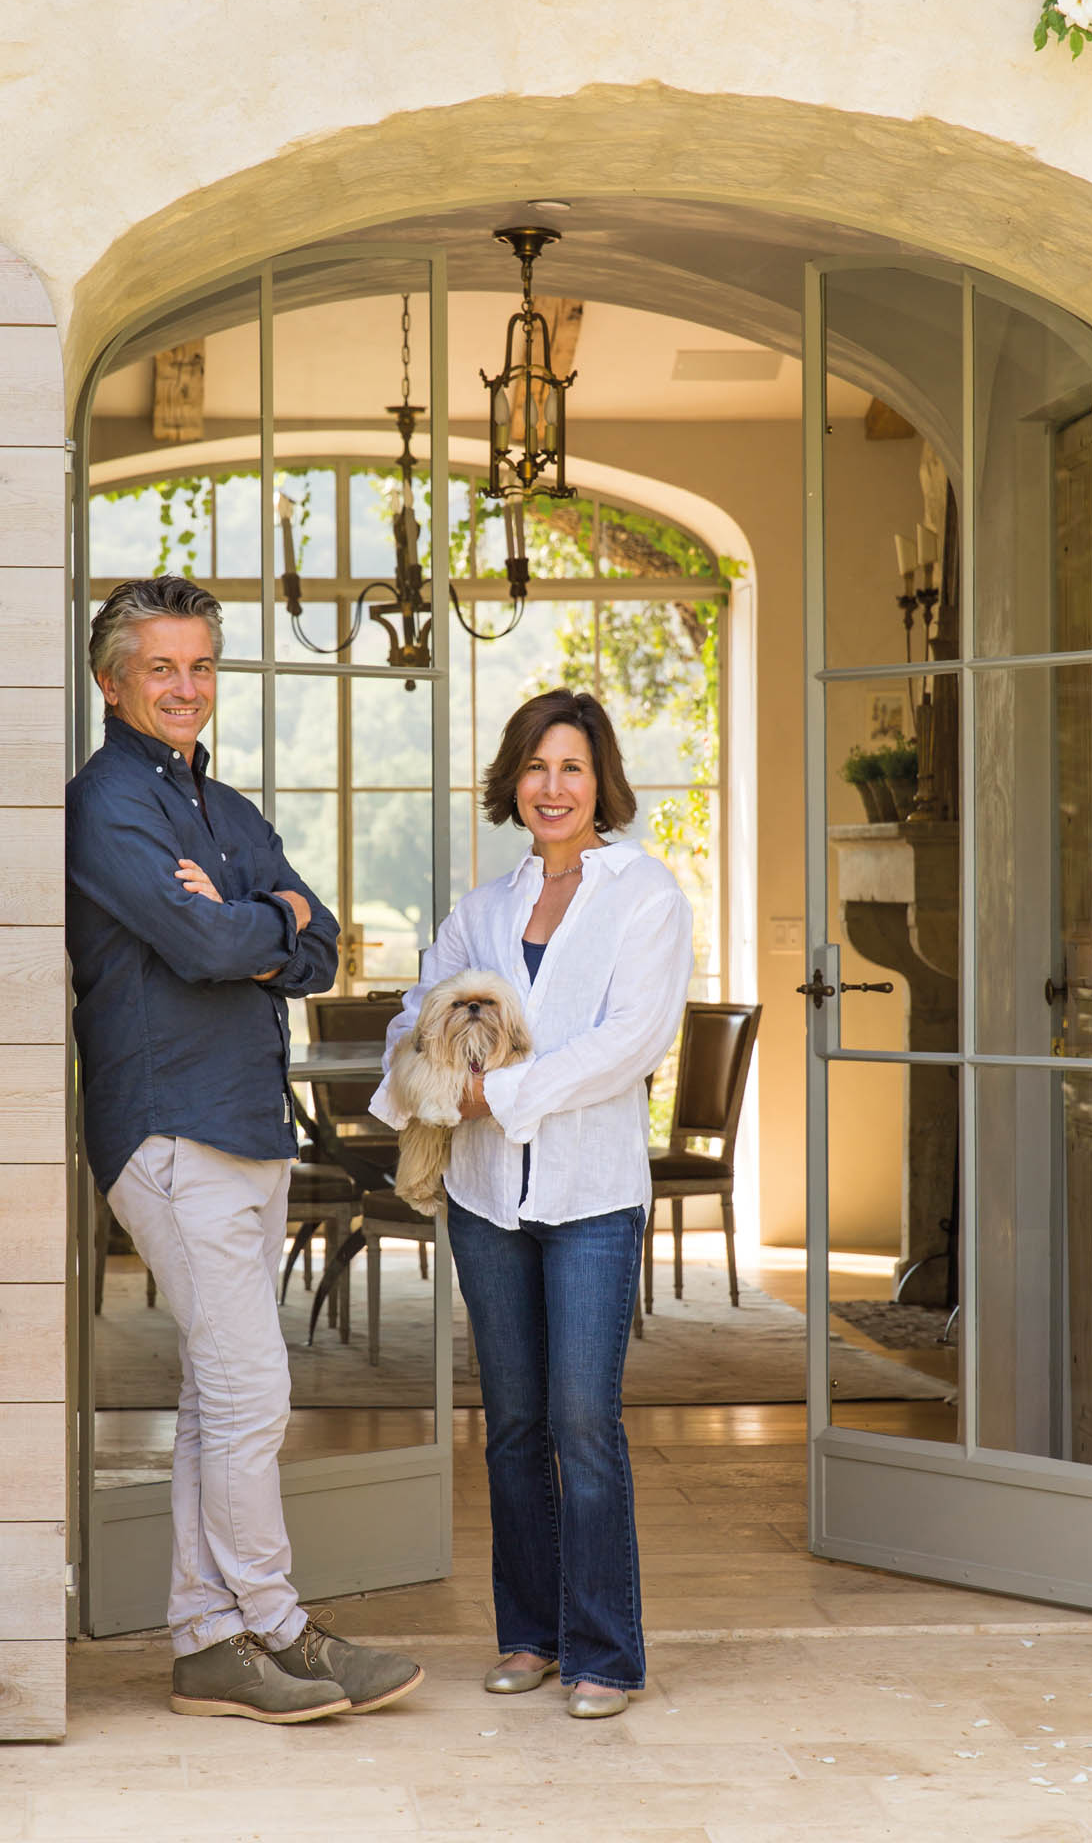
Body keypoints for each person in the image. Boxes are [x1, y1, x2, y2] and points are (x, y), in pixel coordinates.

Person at [66, 575, 424, 1725]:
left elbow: (323, 942)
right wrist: (257, 921)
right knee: (250, 1386)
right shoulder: (105, 802)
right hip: (172, 1126)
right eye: (162, 667)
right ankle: (276, 1622)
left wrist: (256, 918)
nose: (187, 686)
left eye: (202, 665)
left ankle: (209, 1640)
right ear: (112, 680)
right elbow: (204, 938)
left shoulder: (222, 807)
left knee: (218, 1393)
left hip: (246, 1125)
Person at [370, 688, 694, 1718]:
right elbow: (418, 1016)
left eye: (573, 768)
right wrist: (424, 1084)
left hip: (593, 1194)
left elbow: (631, 1040)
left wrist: (489, 1092)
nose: (553, 787)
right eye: (536, 768)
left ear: (602, 782)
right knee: (510, 1425)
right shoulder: (483, 907)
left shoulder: (645, 893)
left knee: (581, 1421)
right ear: (514, 780)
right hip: (483, 1199)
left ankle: (605, 1650)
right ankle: (530, 1635)